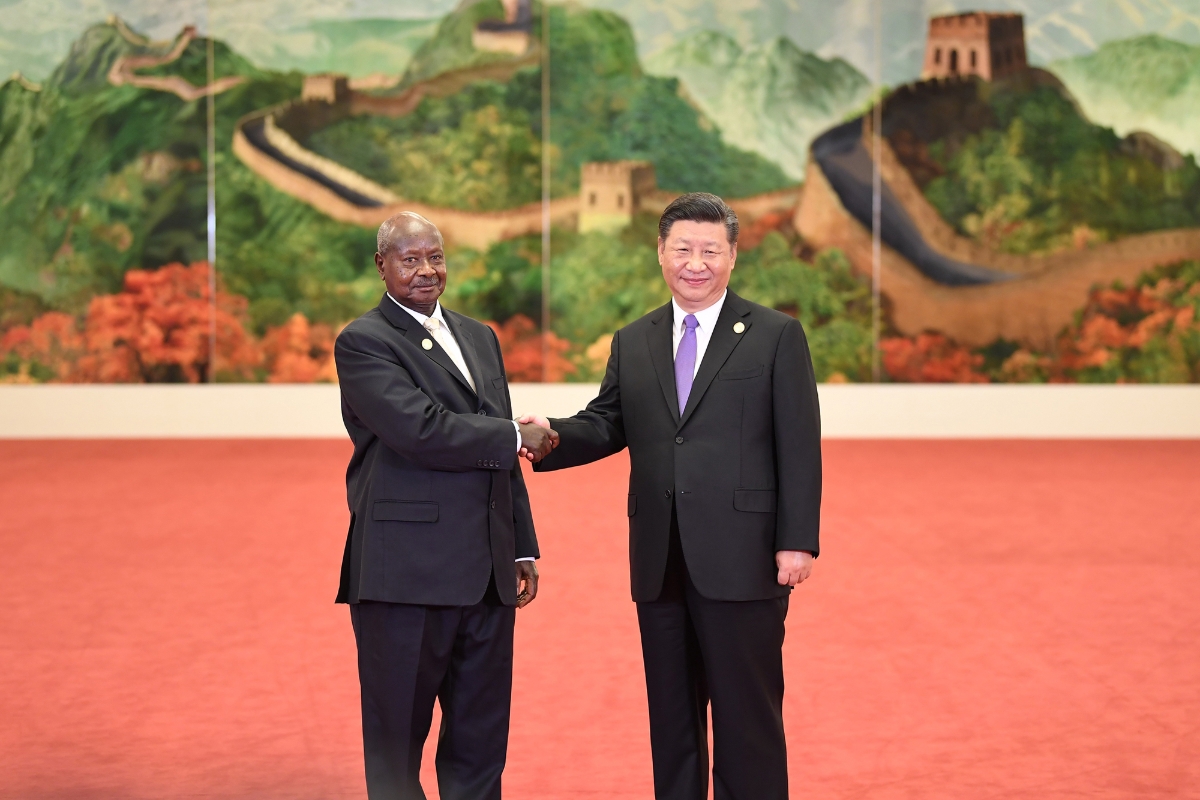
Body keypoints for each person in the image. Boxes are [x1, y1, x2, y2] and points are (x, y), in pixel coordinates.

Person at [525, 193, 821, 800]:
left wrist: (797, 541)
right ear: (660, 253)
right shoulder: (634, 341)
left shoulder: (774, 336)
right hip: (660, 561)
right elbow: (608, 422)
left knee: (748, 721)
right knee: (673, 722)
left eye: (711, 250)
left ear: (733, 255)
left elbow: (800, 444)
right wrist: (551, 437)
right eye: (683, 249)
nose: (696, 262)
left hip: (743, 557)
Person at [334, 211, 558, 800]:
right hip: (405, 578)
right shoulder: (364, 341)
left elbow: (498, 458)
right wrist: (513, 433)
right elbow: (422, 431)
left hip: (487, 575)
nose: (426, 270)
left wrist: (521, 547)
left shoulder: (479, 335)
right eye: (410, 260)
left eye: (435, 257)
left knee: (480, 743)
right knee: (395, 747)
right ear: (382, 265)